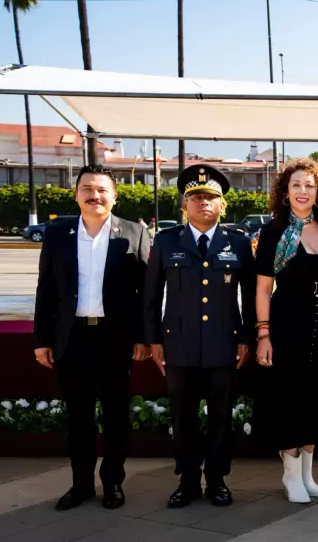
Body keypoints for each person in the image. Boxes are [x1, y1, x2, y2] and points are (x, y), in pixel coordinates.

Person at [33, 164, 151, 511]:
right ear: (77, 194)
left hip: (115, 339)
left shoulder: (133, 234)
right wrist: (42, 339)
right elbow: (46, 290)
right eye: (87, 188)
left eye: (101, 189)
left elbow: (145, 292)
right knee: (78, 417)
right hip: (72, 340)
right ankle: (81, 485)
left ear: (114, 197)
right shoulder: (57, 234)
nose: (94, 195)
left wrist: (145, 337)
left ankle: (113, 483)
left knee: (116, 416)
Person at [144, 164, 256, 508]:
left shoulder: (237, 243)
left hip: (224, 344)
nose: (203, 203)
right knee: (183, 417)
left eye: (211, 198)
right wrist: (153, 341)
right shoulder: (166, 242)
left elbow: (251, 297)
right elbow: (149, 296)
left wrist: (247, 338)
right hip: (179, 346)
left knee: (222, 416)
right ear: (184, 204)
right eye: (196, 197)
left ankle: (218, 481)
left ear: (222, 205)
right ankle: (188, 480)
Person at [255, 158, 318, 503]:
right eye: (296, 185)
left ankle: (307, 472)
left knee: (316, 397)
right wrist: (263, 335)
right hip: (287, 321)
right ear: (285, 191)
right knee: (289, 397)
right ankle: (290, 473)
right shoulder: (274, 232)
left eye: (309, 185)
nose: (303, 191)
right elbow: (262, 288)